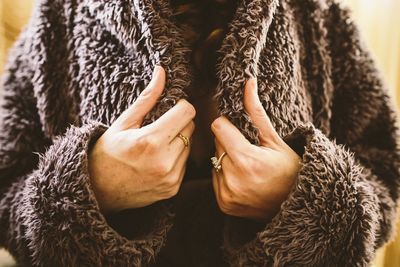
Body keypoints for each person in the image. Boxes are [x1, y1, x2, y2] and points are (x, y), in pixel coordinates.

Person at [0, 0, 399, 266]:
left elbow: (386, 172)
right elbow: (7, 189)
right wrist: (89, 187)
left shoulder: (316, 14)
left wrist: (304, 197)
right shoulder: (59, 15)